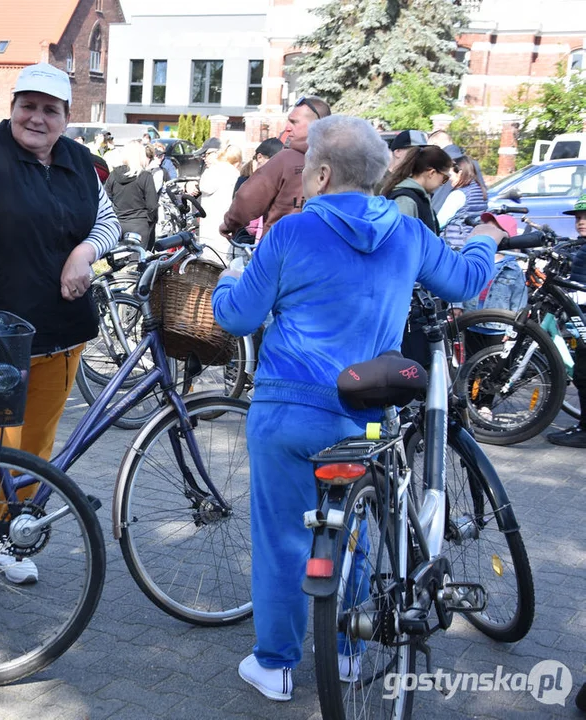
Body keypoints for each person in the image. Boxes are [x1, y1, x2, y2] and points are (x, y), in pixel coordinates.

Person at [209, 114, 504, 702]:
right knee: (357, 532)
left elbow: (236, 317)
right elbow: (467, 280)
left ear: (319, 173)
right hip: (362, 411)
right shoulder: (407, 233)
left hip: (287, 409)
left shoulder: (290, 234)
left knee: (282, 538)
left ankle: (275, 665)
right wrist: (487, 239)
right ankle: (347, 651)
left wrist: (228, 279)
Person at [0, 63, 121, 598]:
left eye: (49, 109)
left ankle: (11, 540)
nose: (36, 117)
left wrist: (85, 251)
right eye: (27, 105)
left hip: (60, 334)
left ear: (66, 116)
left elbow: (109, 223)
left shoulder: (79, 160)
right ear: (12, 107)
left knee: (33, 447)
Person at [220, 96, 331, 238]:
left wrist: (230, 223)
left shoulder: (284, 160)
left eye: (294, 122)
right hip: (328, 251)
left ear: (316, 125)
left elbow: (248, 198)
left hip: (281, 248)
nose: (287, 128)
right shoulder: (343, 161)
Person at [546, 193, 586, 447]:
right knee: (582, 372)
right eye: (578, 217)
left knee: (583, 373)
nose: (580, 222)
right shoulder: (582, 247)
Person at [380, 145, 453, 233]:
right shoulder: (406, 200)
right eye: (445, 178)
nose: (443, 184)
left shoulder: (420, 197)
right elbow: (400, 240)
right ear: (432, 173)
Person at [105, 140, 159, 248]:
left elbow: (106, 198)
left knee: (119, 262)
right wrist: (150, 221)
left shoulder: (113, 175)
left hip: (118, 224)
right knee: (139, 262)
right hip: (140, 224)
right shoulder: (145, 176)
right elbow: (152, 206)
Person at [198, 145, 242, 257]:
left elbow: (203, 188)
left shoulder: (210, 171)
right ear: (237, 163)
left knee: (206, 263)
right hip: (224, 229)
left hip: (207, 230)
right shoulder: (235, 175)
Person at [439, 151, 490, 248]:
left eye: (451, 175)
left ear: (460, 173)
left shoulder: (458, 195)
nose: (449, 179)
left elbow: (440, 222)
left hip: (454, 243)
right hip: (472, 241)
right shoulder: (481, 191)